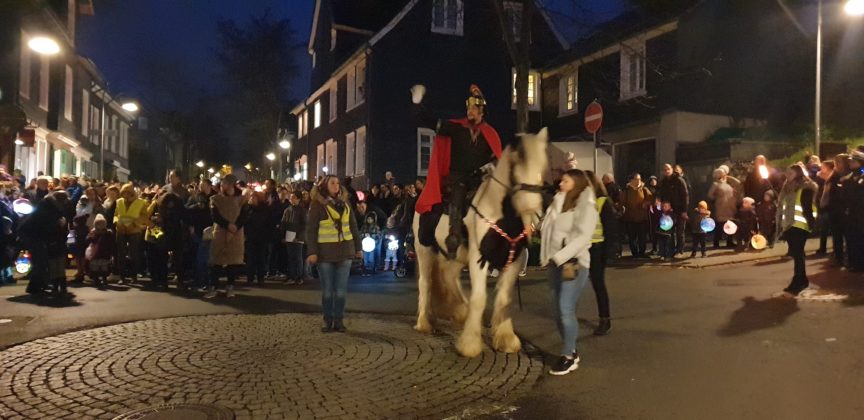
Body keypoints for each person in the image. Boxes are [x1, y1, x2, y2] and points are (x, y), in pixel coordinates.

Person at [412, 84, 503, 259]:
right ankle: (454, 237)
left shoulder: (489, 133)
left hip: (481, 180)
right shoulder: (456, 128)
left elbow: (497, 159)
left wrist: (490, 167)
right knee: (458, 197)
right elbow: (430, 121)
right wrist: (417, 104)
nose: (470, 111)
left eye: (474, 109)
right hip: (458, 178)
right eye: (468, 108)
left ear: (482, 112)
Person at [539, 169, 598, 376]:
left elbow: (583, 237)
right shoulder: (558, 201)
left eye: (565, 180)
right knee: (556, 309)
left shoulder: (585, 205)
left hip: (573, 264)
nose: (560, 184)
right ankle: (571, 348)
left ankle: (568, 356)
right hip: (555, 263)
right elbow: (548, 229)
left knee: (565, 308)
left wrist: (561, 256)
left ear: (577, 182)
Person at [307, 175, 361, 332]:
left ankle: (338, 320)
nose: (336, 186)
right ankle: (327, 319)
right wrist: (312, 252)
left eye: (338, 183)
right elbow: (311, 230)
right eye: (332, 183)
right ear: (325, 186)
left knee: (341, 291)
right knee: (328, 291)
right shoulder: (317, 205)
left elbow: (353, 226)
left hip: (345, 251)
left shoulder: (345, 203)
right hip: (325, 254)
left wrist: (358, 248)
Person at [775, 164, 817, 297]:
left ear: (798, 174)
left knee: (798, 254)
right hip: (789, 225)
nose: (787, 176)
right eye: (786, 173)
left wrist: (812, 225)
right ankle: (801, 279)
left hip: (800, 225)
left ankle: (798, 281)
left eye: (791, 173)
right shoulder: (787, 188)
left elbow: (808, 208)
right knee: (797, 254)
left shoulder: (805, 188)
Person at [206, 174, 250, 298]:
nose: (222, 185)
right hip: (220, 232)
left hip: (236, 233)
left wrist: (236, 225)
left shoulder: (241, 199)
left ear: (230, 185)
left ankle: (230, 286)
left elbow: (245, 215)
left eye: (224, 183)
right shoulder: (216, 199)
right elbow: (215, 216)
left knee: (232, 261)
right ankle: (213, 286)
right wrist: (228, 225)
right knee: (217, 260)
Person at [586, 173, 616, 336]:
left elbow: (610, 229)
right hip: (583, 249)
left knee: (598, 285)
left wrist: (609, 252)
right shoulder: (582, 203)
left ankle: (605, 319)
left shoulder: (603, 202)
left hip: (597, 250)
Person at [114, 184, 148, 282]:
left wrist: (135, 222)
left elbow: (144, 216)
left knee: (134, 254)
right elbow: (116, 214)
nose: (126, 194)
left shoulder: (141, 202)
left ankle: (134, 276)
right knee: (121, 254)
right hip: (121, 230)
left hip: (134, 230)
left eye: (128, 192)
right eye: (124, 192)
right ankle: (122, 277)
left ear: (132, 192)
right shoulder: (119, 201)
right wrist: (117, 222)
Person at [186, 179, 215, 289]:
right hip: (198, 230)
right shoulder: (195, 197)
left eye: (203, 185)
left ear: (209, 186)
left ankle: (207, 281)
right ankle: (202, 280)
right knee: (200, 257)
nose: (200, 187)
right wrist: (191, 225)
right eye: (200, 185)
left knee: (206, 257)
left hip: (211, 230)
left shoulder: (214, 197)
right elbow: (187, 209)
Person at [657, 163, 689, 254]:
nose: (666, 171)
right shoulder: (663, 182)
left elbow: (685, 195)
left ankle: (680, 250)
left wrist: (684, 211)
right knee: (669, 231)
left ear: (672, 169)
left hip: (679, 209)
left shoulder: (679, 180)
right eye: (664, 169)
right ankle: (670, 250)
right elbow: (660, 193)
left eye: (668, 169)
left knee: (680, 231)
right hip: (668, 211)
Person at [621, 173, 652, 258]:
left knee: (642, 237)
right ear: (632, 180)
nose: (638, 181)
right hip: (630, 218)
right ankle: (634, 253)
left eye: (639, 179)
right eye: (636, 179)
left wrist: (646, 203)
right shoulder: (627, 190)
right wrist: (623, 207)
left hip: (642, 217)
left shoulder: (644, 189)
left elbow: (651, 199)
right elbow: (622, 201)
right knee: (632, 237)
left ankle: (642, 253)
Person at [827, 154, 851, 266]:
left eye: (839, 161)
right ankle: (838, 257)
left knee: (847, 235)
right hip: (834, 209)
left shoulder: (850, 175)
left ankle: (849, 258)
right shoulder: (834, 176)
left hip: (845, 210)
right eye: (835, 161)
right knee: (836, 235)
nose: (836, 164)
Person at [842, 149, 864, 272]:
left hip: (861, 214)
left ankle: (860, 264)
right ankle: (853, 263)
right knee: (852, 239)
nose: (850, 164)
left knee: (860, 239)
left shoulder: (862, 174)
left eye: (853, 161)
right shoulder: (850, 176)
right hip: (851, 214)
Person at [281, 191, 308, 284]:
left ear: (299, 199)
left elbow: (304, 225)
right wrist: (283, 236)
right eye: (291, 197)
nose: (292, 199)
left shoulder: (302, 210)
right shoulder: (287, 210)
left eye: (294, 198)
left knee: (298, 257)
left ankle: (299, 277)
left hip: (298, 236)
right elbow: (283, 224)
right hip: (289, 235)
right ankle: (292, 276)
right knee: (291, 257)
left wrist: (299, 236)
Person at [244, 192, 271, 285]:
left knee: (261, 259)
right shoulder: (247, 209)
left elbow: (268, 223)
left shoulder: (265, 209)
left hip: (261, 237)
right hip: (250, 237)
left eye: (253, 197)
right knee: (250, 259)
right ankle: (250, 277)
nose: (251, 199)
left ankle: (260, 277)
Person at [707, 168, 737, 249]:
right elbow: (710, 195)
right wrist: (718, 198)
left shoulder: (727, 183)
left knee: (730, 224)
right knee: (720, 225)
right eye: (722, 173)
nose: (724, 174)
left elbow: (737, 184)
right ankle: (716, 243)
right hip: (721, 207)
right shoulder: (716, 184)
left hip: (730, 206)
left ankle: (729, 241)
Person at [85, 214, 116, 289]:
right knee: (95, 267)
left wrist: (112, 252)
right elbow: (87, 240)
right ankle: (96, 279)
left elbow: (112, 243)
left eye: (102, 223)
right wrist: (91, 237)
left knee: (104, 267)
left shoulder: (108, 232)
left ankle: (104, 279)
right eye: (98, 223)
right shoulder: (93, 232)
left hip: (105, 253)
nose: (100, 225)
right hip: (95, 253)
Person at [815, 160, 835, 256]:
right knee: (823, 228)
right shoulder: (820, 178)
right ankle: (823, 247)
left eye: (823, 167)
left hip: (829, 207)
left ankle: (834, 249)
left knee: (830, 228)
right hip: (822, 206)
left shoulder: (832, 178)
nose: (821, 169)